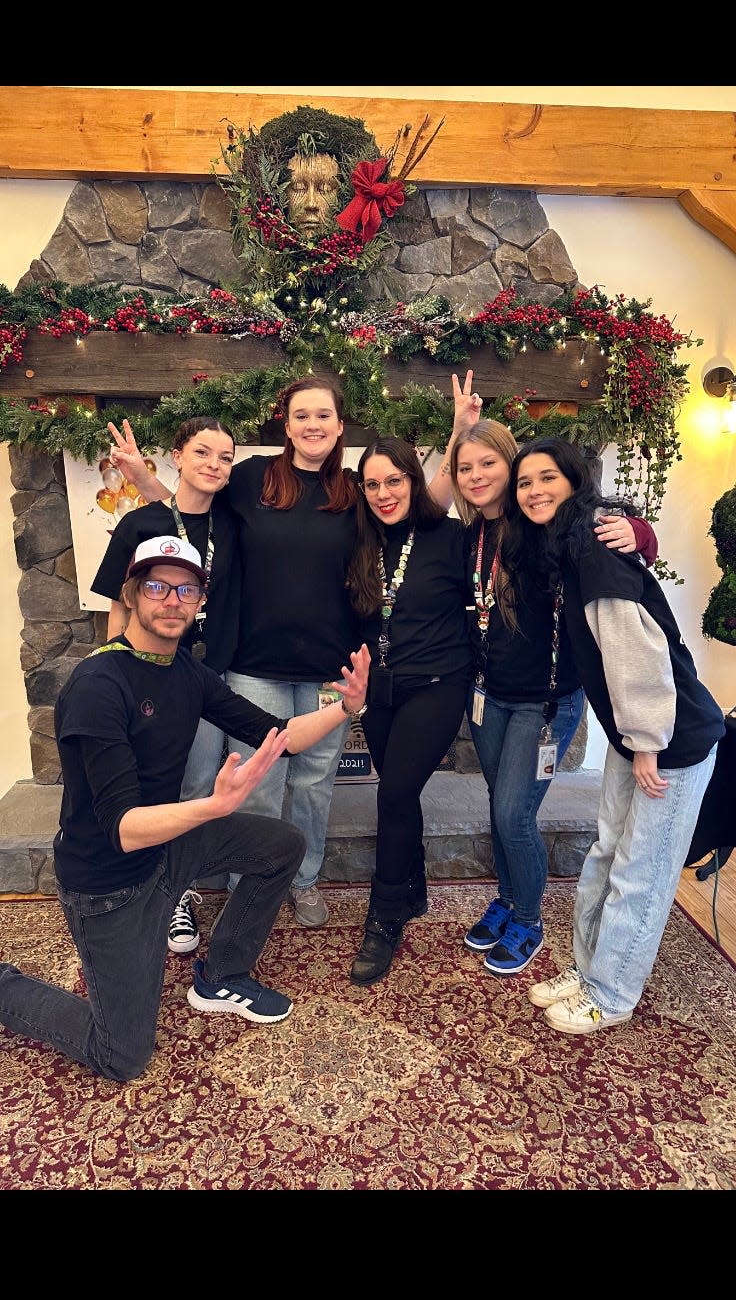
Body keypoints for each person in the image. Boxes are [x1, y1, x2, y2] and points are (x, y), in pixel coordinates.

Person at [0, 537, 370, 1078]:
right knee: (121, 1055)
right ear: (133, 593)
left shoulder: (185, 671)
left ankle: (222, 976)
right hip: (107, 882)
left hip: (164, 849)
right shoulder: (98, 685)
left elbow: (278, 733)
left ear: (198, 602)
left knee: (283, 845)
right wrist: (214, 806)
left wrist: (345, 708)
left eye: (186, 589)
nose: (172, 600)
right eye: (158, 586)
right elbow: (122, 831)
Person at [111, 376, 480, 937]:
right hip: (254, 665)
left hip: (331, 670)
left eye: (324, 416)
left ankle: (302, 879)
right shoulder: (252, 478)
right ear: (286, 424)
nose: (313, 425)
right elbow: (189, 518)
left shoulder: (356, 490)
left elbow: (422, 508)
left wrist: (459, 435)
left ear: (339, 426)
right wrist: (143, 478)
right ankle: (250, 882)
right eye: (302, 415)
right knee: (257, 780)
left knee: (313, 783)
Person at [500, 437, 724, 1034]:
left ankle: (612, 992)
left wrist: (646, 740)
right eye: (524, 482)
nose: (534, 491)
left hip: (670, 737)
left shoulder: (595, 546)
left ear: (574, 481)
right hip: (639, 735)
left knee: (641, 871)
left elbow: (635, 649)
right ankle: (588, 968)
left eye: (547, 477)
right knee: (605, 854)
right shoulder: (569, 546)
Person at [446, 418, 659, 978]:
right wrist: (457, 435)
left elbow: (608, 530)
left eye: (489, 464)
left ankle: (528, 918)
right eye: (465, 468)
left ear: (510, 467)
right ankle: (509, 899)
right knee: (501, 806)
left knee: (514, 814)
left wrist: (640, 534)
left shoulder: (543, 525)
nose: (476, 476)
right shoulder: (470, 537)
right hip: (487, 696)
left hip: (544, 703)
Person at [91, 414, 240, 956]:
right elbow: (117, 599)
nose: (214, 465)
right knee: (157, 784)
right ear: (177, 455)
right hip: (149, 674)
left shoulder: (233, 522)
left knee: (197, 781)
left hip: (210, 673)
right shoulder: (139, 523)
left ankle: (178, 884)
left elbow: (190, 510)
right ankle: (163, 892)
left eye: (225, 457)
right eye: (202, 453)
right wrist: (116, 669)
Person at [345, 436, 475, 985]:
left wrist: (633, 532)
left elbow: (519, 546)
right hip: (379, 690)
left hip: (438, 685)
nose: (383, 493)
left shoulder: (451, 538)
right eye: (372, 484)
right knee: (402, 790)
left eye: (394, 480)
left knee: (394, 792)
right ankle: (414, 883)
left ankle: (385, 914)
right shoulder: (357, 540)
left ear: (414, 481)